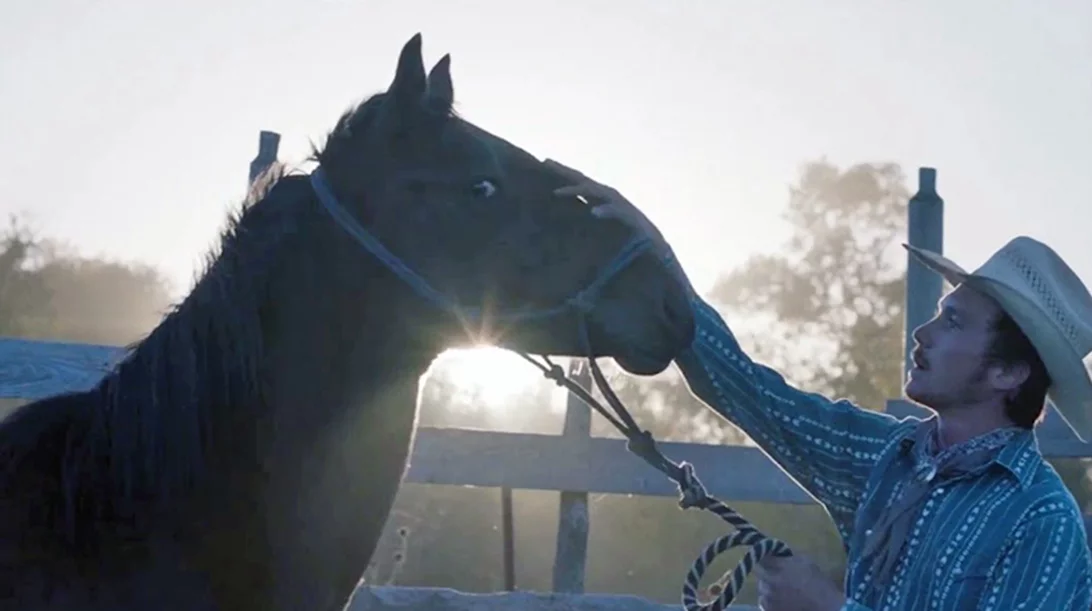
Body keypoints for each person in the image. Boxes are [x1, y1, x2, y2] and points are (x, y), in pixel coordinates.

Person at [545, 159, 1092, 610]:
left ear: (1009, 372)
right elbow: (754, 395)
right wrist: (654, 254)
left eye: (953, 322)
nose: (922, 334)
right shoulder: (888, 458)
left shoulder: (1042, 520)